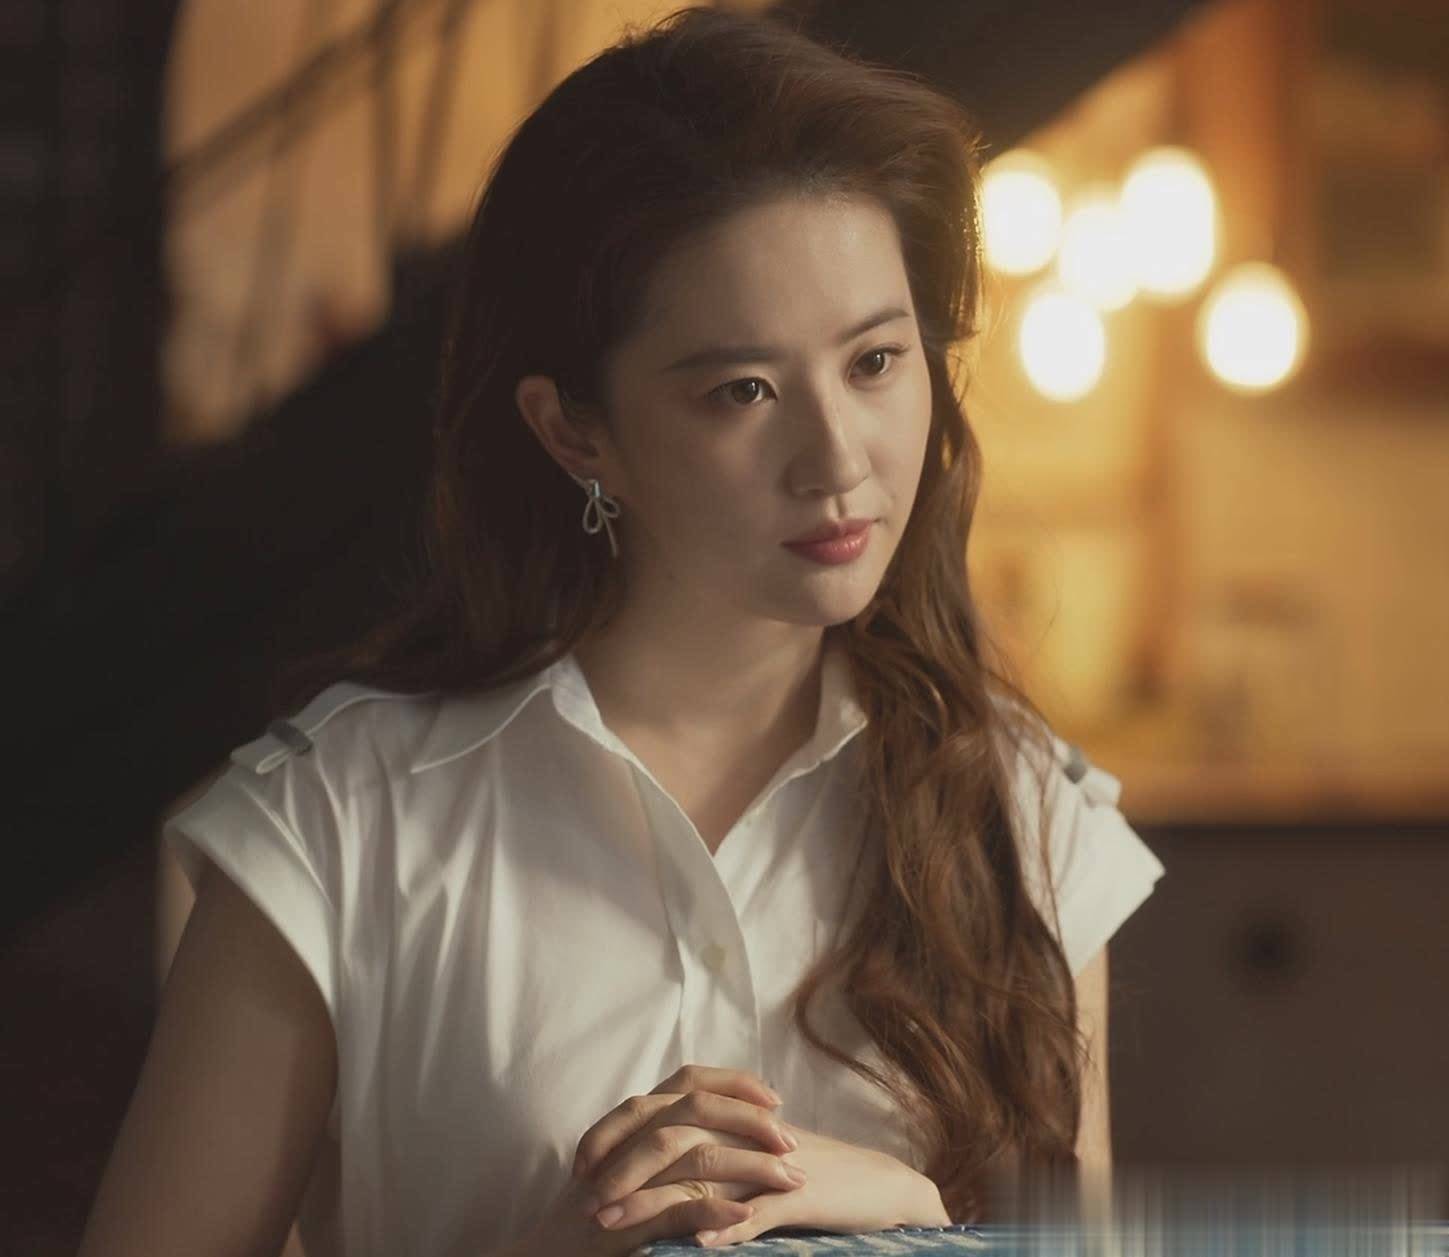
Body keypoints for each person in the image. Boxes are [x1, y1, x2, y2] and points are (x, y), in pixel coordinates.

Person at [79, 6, 1165, 1256]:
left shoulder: (1024, 818)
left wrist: (917, 1221)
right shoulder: (342, 828)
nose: (837, 460)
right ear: (574, 430)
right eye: (743, 391)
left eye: (874, 362)